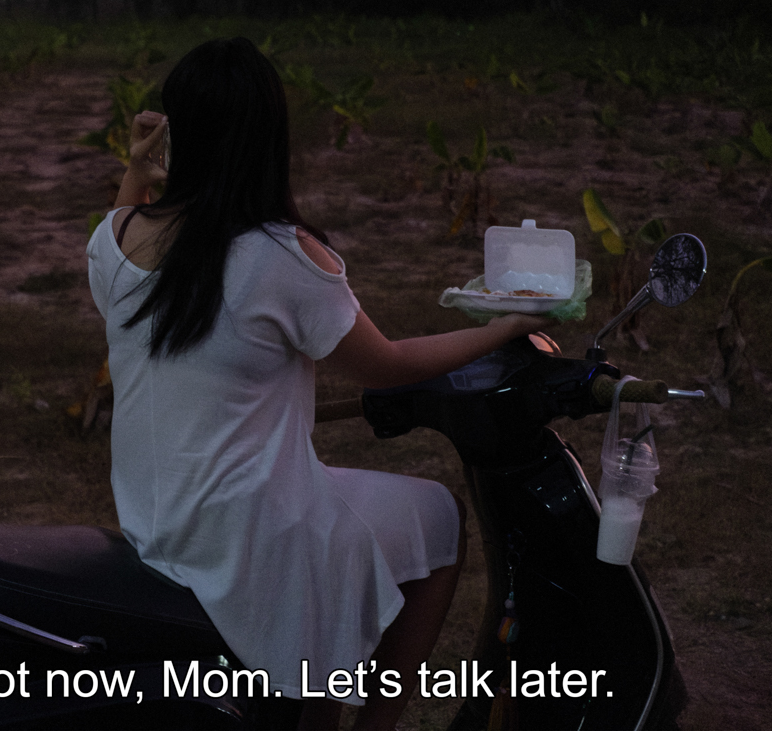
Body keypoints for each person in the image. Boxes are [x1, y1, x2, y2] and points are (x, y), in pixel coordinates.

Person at [86, 38, 552, 730]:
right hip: (252, 528)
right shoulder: (281, 256)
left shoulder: (114, 236)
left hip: (160, 520)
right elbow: (386, 364)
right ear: (268, 139)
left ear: (177, 132)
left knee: (353, 525)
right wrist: (507, 325)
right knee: (441, 517)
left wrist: (136, 170)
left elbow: (123, 243)